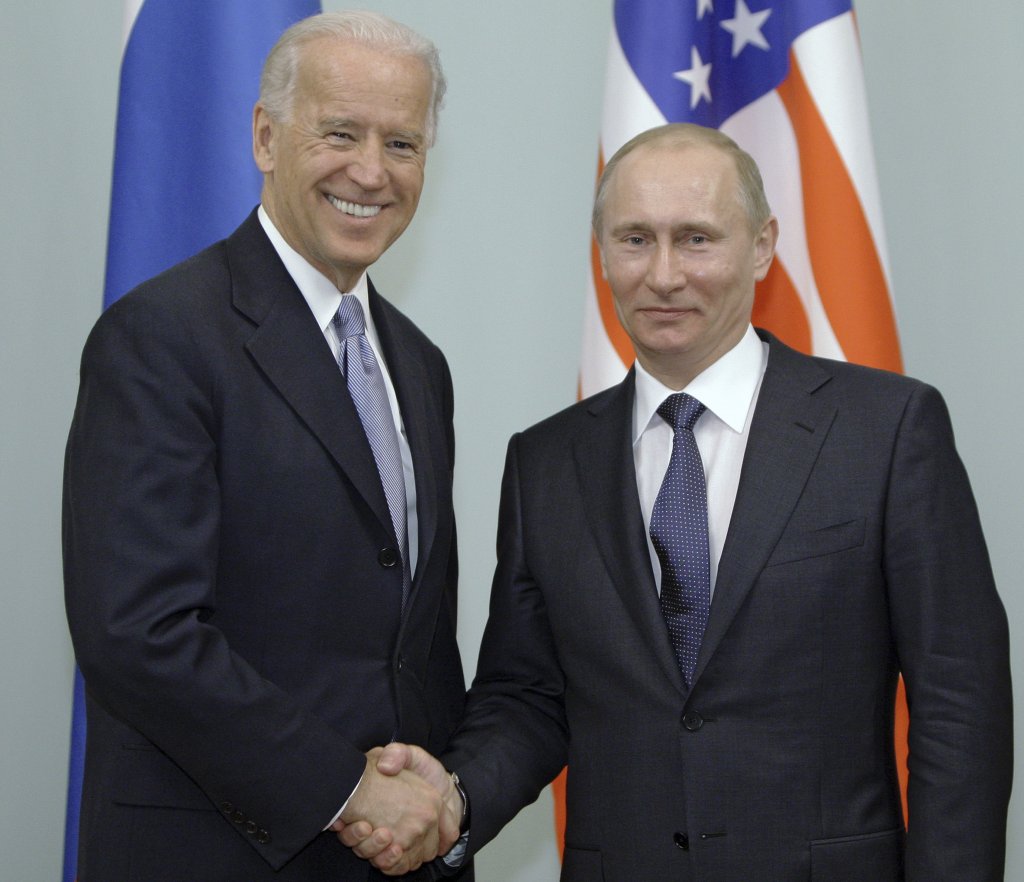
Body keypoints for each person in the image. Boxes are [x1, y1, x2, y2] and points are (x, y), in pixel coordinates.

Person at [347, 123, 1013, 880]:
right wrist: (455, 797)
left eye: (696, 239)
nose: (663, 276)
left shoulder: (886, 430)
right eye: (635, 240)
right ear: (602, 253)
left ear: (762, 246)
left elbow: (960, 702)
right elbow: (528, 695)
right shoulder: (545, 463)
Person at [63, 11, 471, 881]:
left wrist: (440, 806)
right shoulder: (160, 337)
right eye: (340, 132)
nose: (371, 171)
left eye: (401, 143)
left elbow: (415, 644)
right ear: (264, 137)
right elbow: (139, 633)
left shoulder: (420, 365)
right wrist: (347, 791)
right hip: (211, 856)